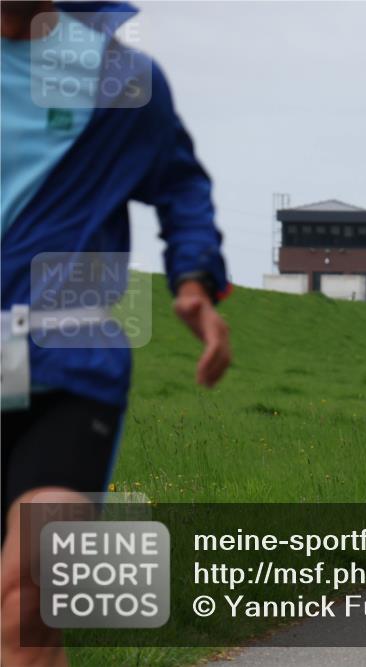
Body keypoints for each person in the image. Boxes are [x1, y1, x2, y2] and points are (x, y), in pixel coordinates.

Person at [1, 3, 231, 664]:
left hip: (70, 364)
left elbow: (180, 181)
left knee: (26, 600)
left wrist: (192, 279)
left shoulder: (116, 78)